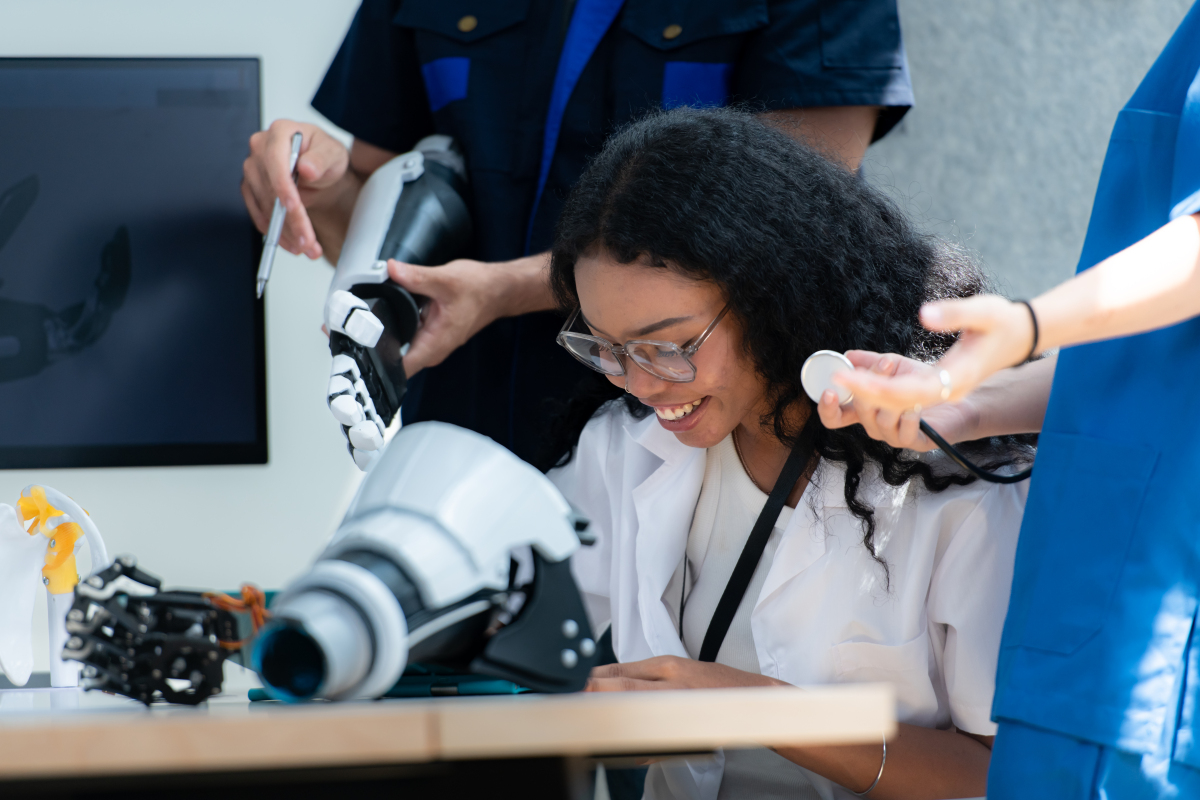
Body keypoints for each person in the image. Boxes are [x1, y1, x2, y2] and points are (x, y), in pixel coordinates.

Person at [544, 106, 1030, 800]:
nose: (642, 382)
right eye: (609, 349)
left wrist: (749, 706)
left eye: (670, 345)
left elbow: (1007, 776)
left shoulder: (959, 482)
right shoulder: (625, 448)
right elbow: (512, 612)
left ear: (776, 299)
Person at [239, 0, 914, 464]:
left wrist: (505, 290)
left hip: (692, 446)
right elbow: (384, 228)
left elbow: (798, 216)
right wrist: (317, 191)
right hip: (461, 451)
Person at [819, 4, 1200, 796]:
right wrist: (962, 405)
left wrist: (1030, 324)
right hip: (1092, 613)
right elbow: (1150, 358)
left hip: (1158, 620)